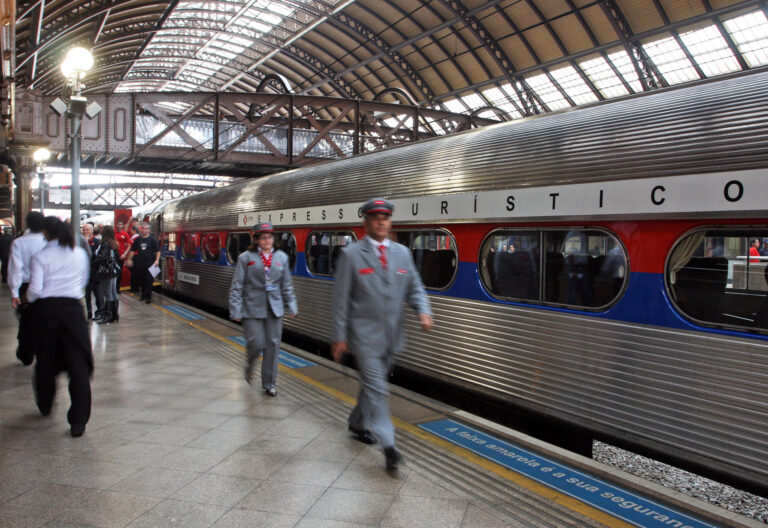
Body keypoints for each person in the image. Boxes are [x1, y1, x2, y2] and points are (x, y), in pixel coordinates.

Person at [331, 198, 433, 472]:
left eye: (385, 217)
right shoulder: (351, 255)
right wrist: (339, 336)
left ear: (390, 221)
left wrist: (423, 311)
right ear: (366, 222)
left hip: (392, 336)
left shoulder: (402, 253)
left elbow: (415, 288)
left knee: (371, 387)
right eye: (375, 217)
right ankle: (389, 446)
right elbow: (341, 300)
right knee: (378, 388)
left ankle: (356, 423)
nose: (381, 222)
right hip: (363, 338)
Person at [27, 216, 92, 437]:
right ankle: (78, 421)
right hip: (73, 312)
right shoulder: (80, 254)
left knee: (45, 360)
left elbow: (35, 290)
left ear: (45, 233)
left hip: (47, 312)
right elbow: (83, 282)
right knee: (79, 365)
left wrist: (26, 298)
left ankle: (45, 404)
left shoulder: (40, 256)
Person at [229, 222, 298, 396]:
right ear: (256, 240)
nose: (267, 240)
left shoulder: (281, 257)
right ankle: (250, 363)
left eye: (270, 237)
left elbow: (286, 284)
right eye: (263, 237)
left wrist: (291, 304)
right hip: (252, 307)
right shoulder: (246, 258)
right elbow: (237, 285)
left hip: (274, 307)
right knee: (256, 342)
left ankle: (269, 383)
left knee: (273, 346)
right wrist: (236, 310)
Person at [8, 212, 47, 365]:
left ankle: (26, 352)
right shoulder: (47, 241)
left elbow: (15, 269)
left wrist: (14, 292)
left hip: (25, 286)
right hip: (45, 285)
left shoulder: (19, 243)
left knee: (26, 319)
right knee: (44, 318)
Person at [125, 223, 160, 303]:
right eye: (142, 228)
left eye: (145, 229)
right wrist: (129, 259)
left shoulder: (152, 240)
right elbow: (133, 250)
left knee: (149, 281)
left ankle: (148, 297)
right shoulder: (138, 240)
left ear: (149, 230)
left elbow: (157, 251)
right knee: (142, 280)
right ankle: (143, 295)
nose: (143, 230)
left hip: (151, 264)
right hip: (140, 263)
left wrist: (157, 260)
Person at [93, 226, 120, 324]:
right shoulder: (114, 243)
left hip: (106, 272)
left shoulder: (105, 244)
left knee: (107, 293)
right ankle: (115, 314)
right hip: (113, 271)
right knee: (113, 292)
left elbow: (101, 257)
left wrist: (93, 264)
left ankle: (108, 315)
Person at [81, 223, 102, 319]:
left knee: (97, 292)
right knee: (87, 294)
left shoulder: (97, 241)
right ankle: (89, 311)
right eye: (84, 230)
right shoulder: (80, 242)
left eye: (87, 230)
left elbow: (96, 255)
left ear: (92, 231)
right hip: (85, 271)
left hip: (94, 271)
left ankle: (99, 311)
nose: (85, 232)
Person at [115, 218, 132, 292]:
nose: (119, 226)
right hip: (114, 255)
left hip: (121, 255)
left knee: (119, 271)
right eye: (118, 224)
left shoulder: (125, 234)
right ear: (116, 225)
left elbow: (129, 245)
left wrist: (124, 254)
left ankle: (117, 287)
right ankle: (113, 287)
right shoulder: (113, 233)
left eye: (121, 224)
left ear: (122, 226)